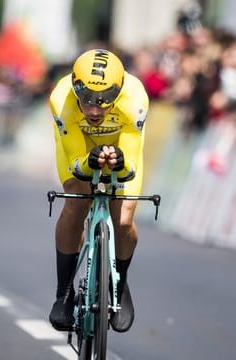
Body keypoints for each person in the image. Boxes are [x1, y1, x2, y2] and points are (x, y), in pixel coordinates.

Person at [48, 49, 149, 333]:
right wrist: (86, 162)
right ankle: (64, 294)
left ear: (118, 92)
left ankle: (119, 281)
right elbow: (74, 159)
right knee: (76, 204)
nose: (94, 110)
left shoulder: (135, 98)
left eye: (104, 101)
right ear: (76, 87)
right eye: (87, 100)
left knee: (124, 219)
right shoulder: (61, 99)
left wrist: (119, 162)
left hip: (120, 146)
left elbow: (129, 162)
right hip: (78, 145)